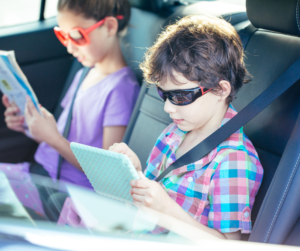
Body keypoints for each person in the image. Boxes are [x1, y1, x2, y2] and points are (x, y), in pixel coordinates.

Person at [109, 15, 264, 240]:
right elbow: (147, 207)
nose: (168, 108)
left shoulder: (234, 160)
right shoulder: (171, 134)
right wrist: (134, 175)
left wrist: (167, 211)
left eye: (180, 96)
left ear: (220, 90)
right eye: (163, 94)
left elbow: (230, 245)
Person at [1, 0, 139, 190]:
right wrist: (30, 126)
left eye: (76, 36)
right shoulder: (86, 72)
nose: (69, 48)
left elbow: (109, 171)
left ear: (109, 26)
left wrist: (53, 139)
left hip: (66, 190)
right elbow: (65, 133)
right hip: (40, 171)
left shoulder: (121, 90)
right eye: (63, 36)